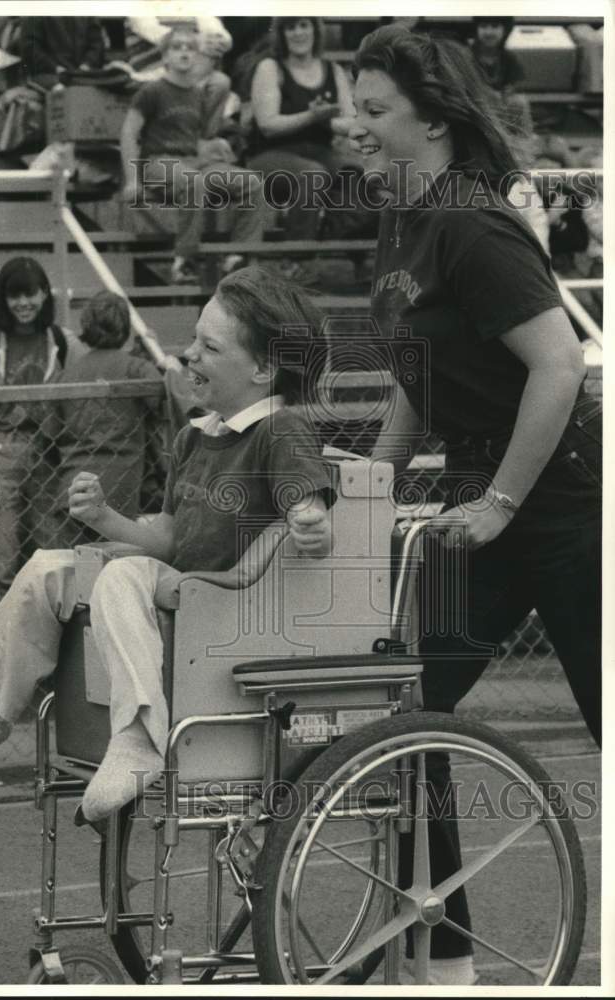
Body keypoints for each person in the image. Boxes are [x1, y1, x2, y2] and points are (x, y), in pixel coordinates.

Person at [348, 24, 601, 985]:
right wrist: (379, 478)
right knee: (410, 720)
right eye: (353, 106)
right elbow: (420, 370)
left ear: (435, 116)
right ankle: (444, 954)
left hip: (560, 502)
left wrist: (500, 501)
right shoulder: (400, 217)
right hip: (473, 492)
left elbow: (559, 364)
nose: (355, 126)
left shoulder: (472, 220)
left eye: (375, 111)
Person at [0, 266, 334, 825]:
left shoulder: (281, 430)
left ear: (263, 368)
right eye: (193, 341)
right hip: (181, 592)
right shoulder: (195, 435)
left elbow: (310, 501)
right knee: (49, 567)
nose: (188, 356)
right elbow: (168, 535)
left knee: (120, 576)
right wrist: (105, 518)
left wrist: (311, 518)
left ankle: (138, 736)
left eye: (209, 347)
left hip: (226, 607)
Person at [0, 257, 85, 610]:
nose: (23, 304)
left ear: (45, 294)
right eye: (14, 296)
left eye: (31, 294)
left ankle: (53, 643)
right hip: (2, 451)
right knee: (1, 559)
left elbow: (91, 380)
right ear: (3, 299)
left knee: (52, 554)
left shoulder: (64, 341)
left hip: (51, 456)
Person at [120, 25, 266, 284]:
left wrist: (213, 147)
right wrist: (132, 180)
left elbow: (195, 139)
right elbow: (129, 133)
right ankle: (183, 261)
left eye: (191, 47)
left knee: (253, 183)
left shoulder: (199, 95)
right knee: (193, 181)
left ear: (199, 56)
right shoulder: (152, 91)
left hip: (192, 163)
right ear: (165, 57)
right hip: (158, 164)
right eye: (177, 47)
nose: (184, 53)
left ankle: (238, 257)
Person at [39, 289, 165, 548]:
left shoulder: (66, 375)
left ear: (86, 325)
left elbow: (49, 434)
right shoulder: (136, 368)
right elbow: (164, 409)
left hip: (72, 487)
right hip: (119, 491)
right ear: (125, 327)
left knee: (74, 574)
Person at [246, 17, 356, 241]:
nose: (298, 33)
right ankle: (298, 258)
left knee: (356, 175)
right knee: (313, 175)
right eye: (291, 27)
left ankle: (355, 255)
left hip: (319, 153)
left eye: (304, 25)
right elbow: (268, 125)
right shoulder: (270, 67)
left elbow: (353, 122)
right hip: (269, 156)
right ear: (281, 34)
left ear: (315, 30)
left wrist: (324, 121)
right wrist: (311, 116)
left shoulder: (332, 70)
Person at [19, 16, 107, 89]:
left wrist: (87, 64)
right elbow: (31, 49)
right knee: (61, 91)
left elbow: (96, 44)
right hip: (49, 75)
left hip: (83, 75)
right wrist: (55, 68)